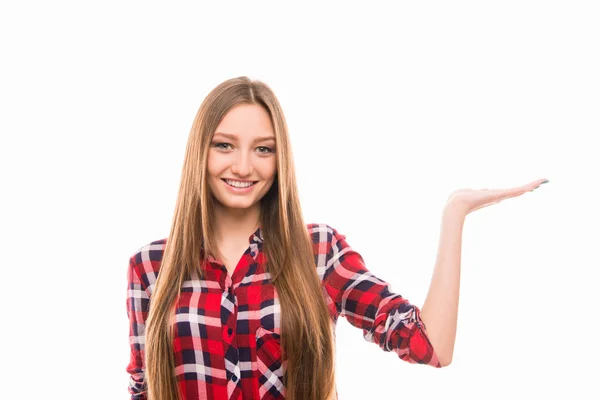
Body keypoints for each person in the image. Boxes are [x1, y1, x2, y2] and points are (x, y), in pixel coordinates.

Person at [125, 76, 549, 400]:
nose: (242, 166)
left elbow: (430, 345)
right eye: (224, 145)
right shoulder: (150, 266)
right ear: (200, 151)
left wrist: (455, 212)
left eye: (263, 149)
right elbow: (142, 388)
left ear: (280, 159)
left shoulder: (318, 252)